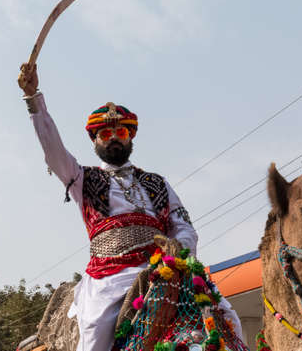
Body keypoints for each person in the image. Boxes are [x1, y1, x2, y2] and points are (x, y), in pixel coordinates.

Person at [17, 63, 243, 351]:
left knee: (229, 319)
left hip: (165, 269)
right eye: (105, 133)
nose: (113, 138)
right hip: (110, 279)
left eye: (120, 132)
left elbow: (184, 227)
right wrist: (33, 97)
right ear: (95, 140)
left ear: (130, 137)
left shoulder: (157, 183)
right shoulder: (82, 178)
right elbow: (54, 152)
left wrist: (176, 252)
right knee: (95, 336)